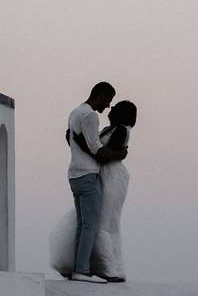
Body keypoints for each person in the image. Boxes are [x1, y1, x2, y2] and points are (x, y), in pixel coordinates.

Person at [52, 97, 137, 282]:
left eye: (115, 107)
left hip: (112, 176)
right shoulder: (109, 129)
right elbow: (94, 149)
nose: (110, 108)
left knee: (105, 222)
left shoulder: (121, 130)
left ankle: (109, 268)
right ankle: (92, 264)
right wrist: (76, 140)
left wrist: (79, 141)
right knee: (95, 220)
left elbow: (102, 155)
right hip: (102, 174)